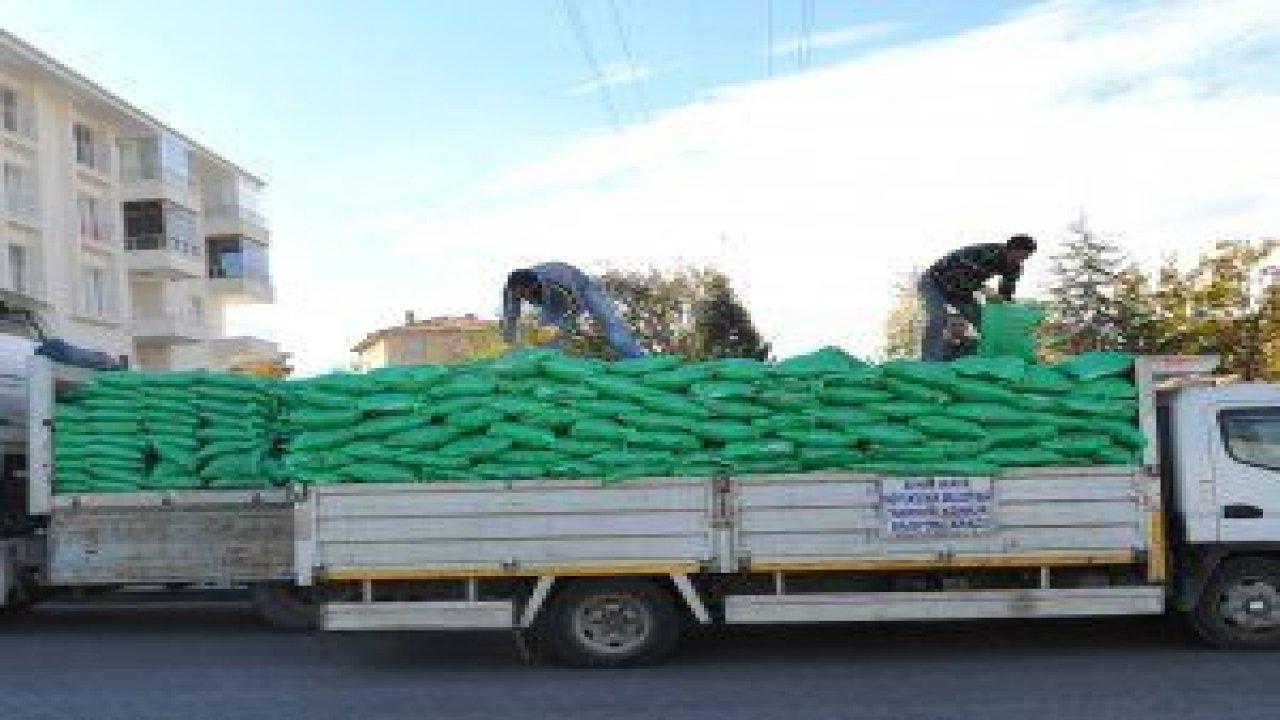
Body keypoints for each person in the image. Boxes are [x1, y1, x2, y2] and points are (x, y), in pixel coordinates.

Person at [918, 234, 1037, 361]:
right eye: (1020, 255)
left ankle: (996, 358)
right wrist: (985, 290)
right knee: (938, 317)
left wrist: (1004, 307)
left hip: (961, 291)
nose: (1021, 260)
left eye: (1025, 258)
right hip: (935, 282)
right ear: (1011, 249)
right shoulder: (986, 253)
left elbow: (1006, 293)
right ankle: (929, 360)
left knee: (986, 323)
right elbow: (960, 275)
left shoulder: (1014, 267)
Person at [500, 261, 646, 359]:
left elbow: (575, 305)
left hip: (583, 289)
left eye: (525, 294)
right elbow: (510, 317)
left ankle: (635, 359)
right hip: (552, 302)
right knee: (550, 342)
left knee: (610, 323)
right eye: (519, 295)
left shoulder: (557, 278)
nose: (523, 298)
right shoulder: (511, 291)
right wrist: (511, 344)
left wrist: (559, 326)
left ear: (533, 285)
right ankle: (552, 367)